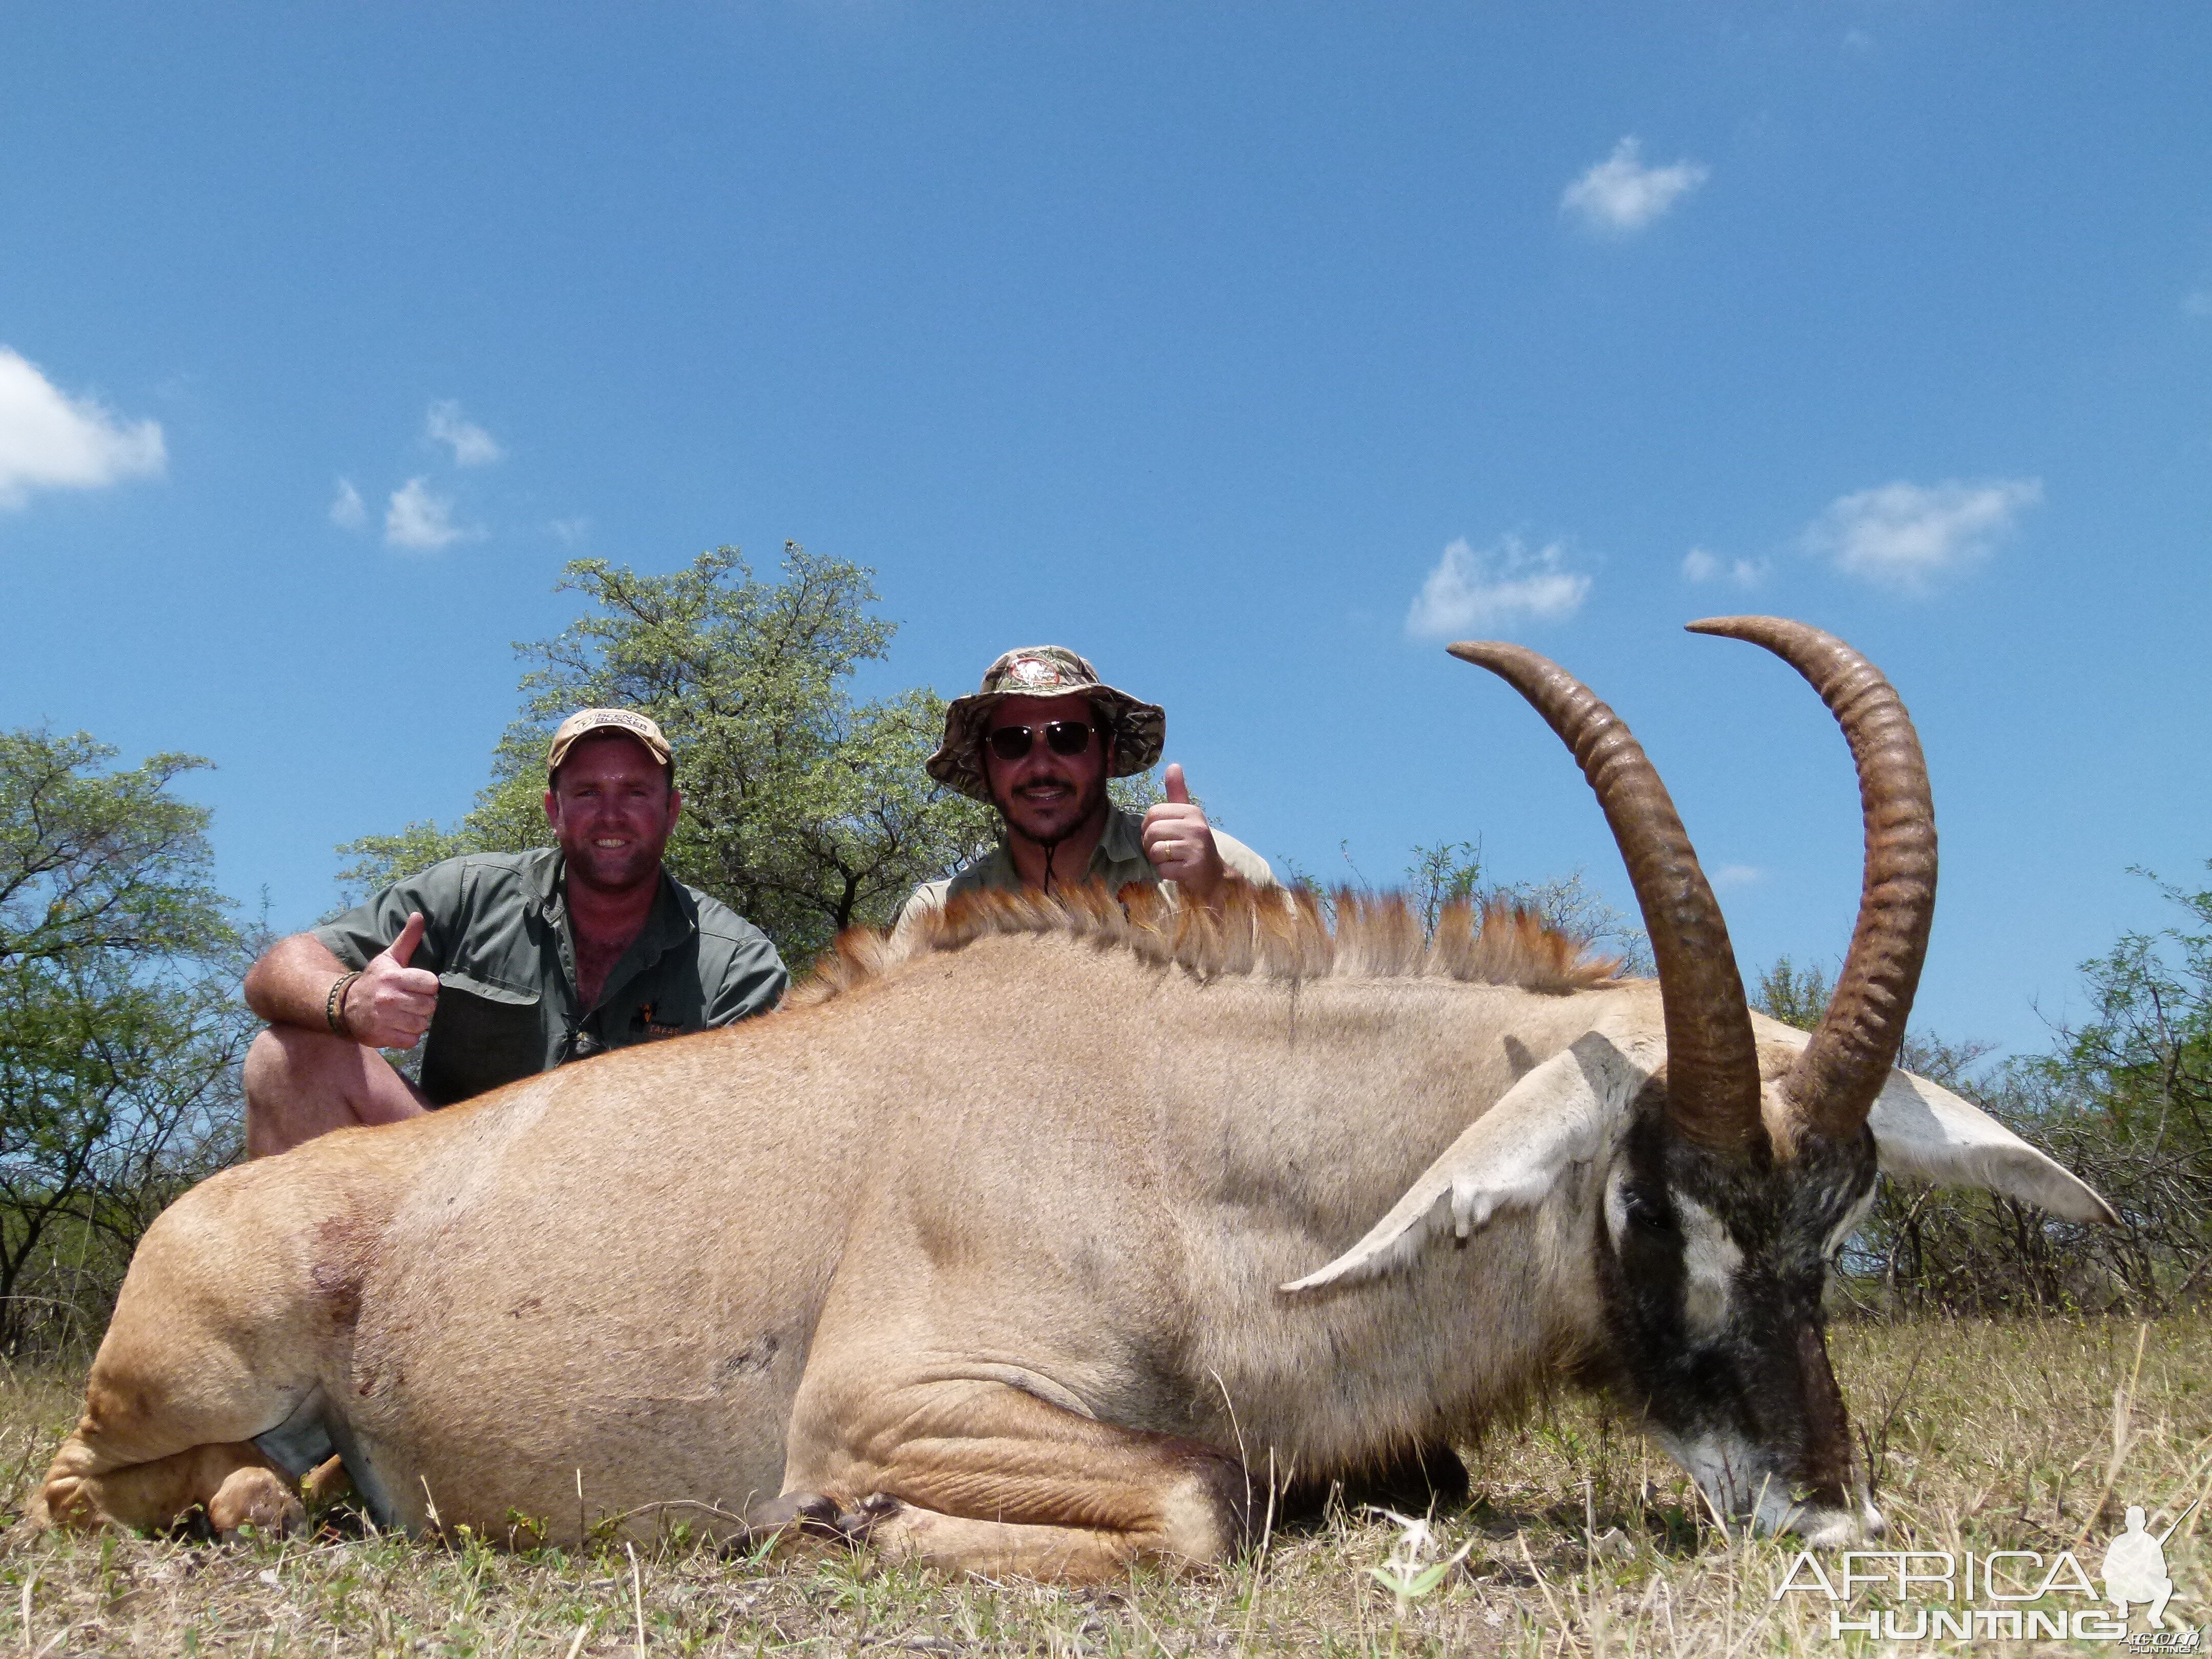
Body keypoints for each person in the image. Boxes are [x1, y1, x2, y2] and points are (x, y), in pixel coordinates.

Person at [241, 709, 788, 1158]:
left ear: (671, 813)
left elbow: (753, 1144)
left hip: (634, 1225)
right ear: (555, 811)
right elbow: (279, 969)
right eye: (588, 792)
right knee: (286, 1056)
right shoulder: (468, 892)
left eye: (637, 793)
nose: (612, 815)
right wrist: (349, 999)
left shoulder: (738, 965)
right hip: (451, 1185)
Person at [896, 646, 1276, 935]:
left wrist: (1218, 891)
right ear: (984, 767)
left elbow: (1303, 998)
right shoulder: (936, 916)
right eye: (1012, 743)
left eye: (1068, 737)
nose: (1042, 766)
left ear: (1108, 754)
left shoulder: (1217, 863)